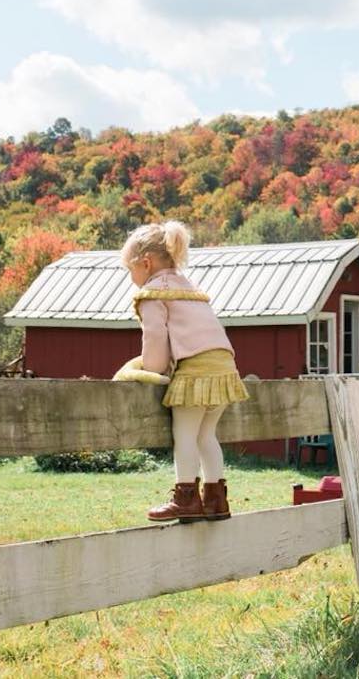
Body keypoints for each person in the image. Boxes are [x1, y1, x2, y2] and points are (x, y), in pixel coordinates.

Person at [120, 220, 249, 523]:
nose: (130, 277)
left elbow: (155, 337)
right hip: (224, 366)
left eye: (129, 269)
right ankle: (216, 499)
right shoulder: (189, 288)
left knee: (185, 435)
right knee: (207, 435)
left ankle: (186, 498)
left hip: (197, 370)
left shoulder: (152, 294)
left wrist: (150, 369)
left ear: (146, 263)